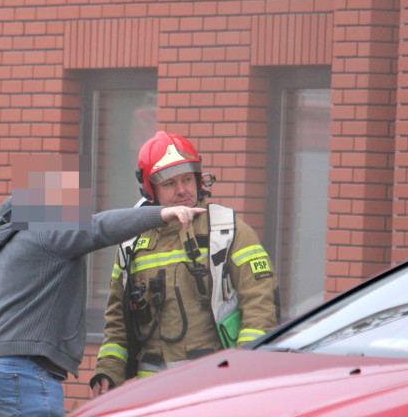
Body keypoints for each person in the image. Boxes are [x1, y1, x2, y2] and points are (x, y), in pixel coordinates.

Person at [0, 154, 203, 417]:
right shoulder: (46, 231)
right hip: (22, 371)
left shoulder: (1, 249)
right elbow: (97, 228)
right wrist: (160, 214)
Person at [92, 130, 280, 395]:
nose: (181, 190)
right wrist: (108, 370)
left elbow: (261, 305)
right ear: (150, 189)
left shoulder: (228, 231)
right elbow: (116, 322)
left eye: (187, 180)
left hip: (213, 388)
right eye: (169, 184)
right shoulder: (130, 244)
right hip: (151, 394)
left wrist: (244, 368)